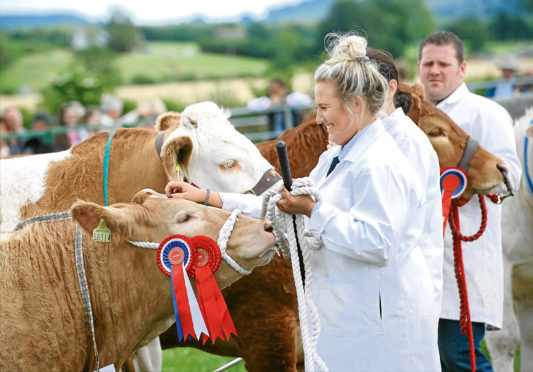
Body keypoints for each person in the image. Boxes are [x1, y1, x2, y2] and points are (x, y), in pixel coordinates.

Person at [167, 33, 440, 371]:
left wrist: (313, 210)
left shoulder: (380, 164)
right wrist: (207, 198)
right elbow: (282, 204)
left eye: (324, 108)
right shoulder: (336, 156)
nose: (319, 117)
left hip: (379, 323)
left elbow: (379, 243)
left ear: (355, 104)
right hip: (347, 316)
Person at [417, 30, 521, 372]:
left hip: (465, 253)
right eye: (428, 62)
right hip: (419, 255)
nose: (434, 70)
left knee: (459, 355)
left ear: (461, 68)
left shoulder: (486, 113)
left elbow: (511, 177)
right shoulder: (409, 116)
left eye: (443, 63)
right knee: (429, 358)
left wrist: (464, 186)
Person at [367, 48, 444, 317]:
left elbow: (390, 229)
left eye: (367, 87)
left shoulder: (406, 142)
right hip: (382, 287)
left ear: (390, 88)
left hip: (401, 290)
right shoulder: (371, 138)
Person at [247, 78, 312, 138]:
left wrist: (283, 101)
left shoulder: (291, 97)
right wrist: (270, 104)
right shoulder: (268, 100)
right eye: (273, 91)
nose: (274, 93)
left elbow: (307, 100)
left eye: (277, 90)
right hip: (274, 138)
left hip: (294, 136)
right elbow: (250, 105)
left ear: (284, 89)